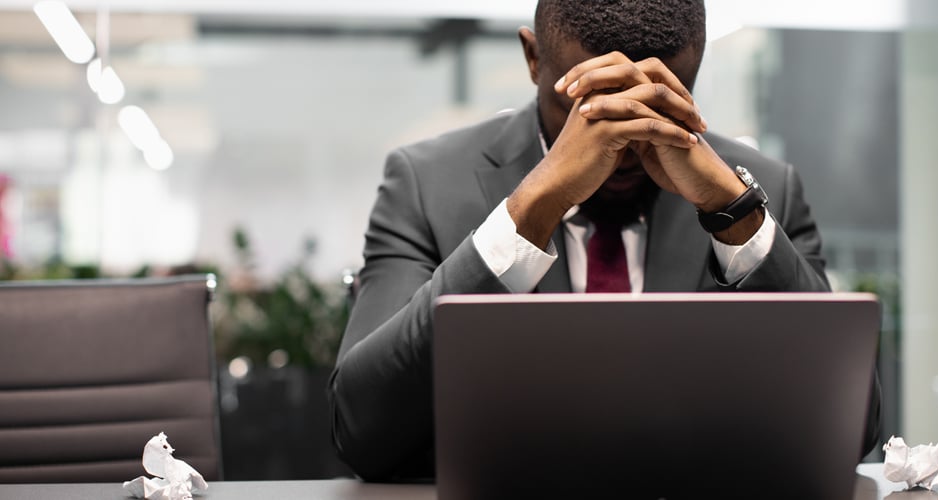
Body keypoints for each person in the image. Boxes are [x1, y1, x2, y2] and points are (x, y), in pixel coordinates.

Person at [328, 0, 881, 481]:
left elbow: (851, 430)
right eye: (588, 109)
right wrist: (531, 208)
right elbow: (361, 431)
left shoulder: (765, 191)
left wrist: (730, 210)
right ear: (533, 58)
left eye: (657, 106)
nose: (622, 142)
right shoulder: (426, 184)